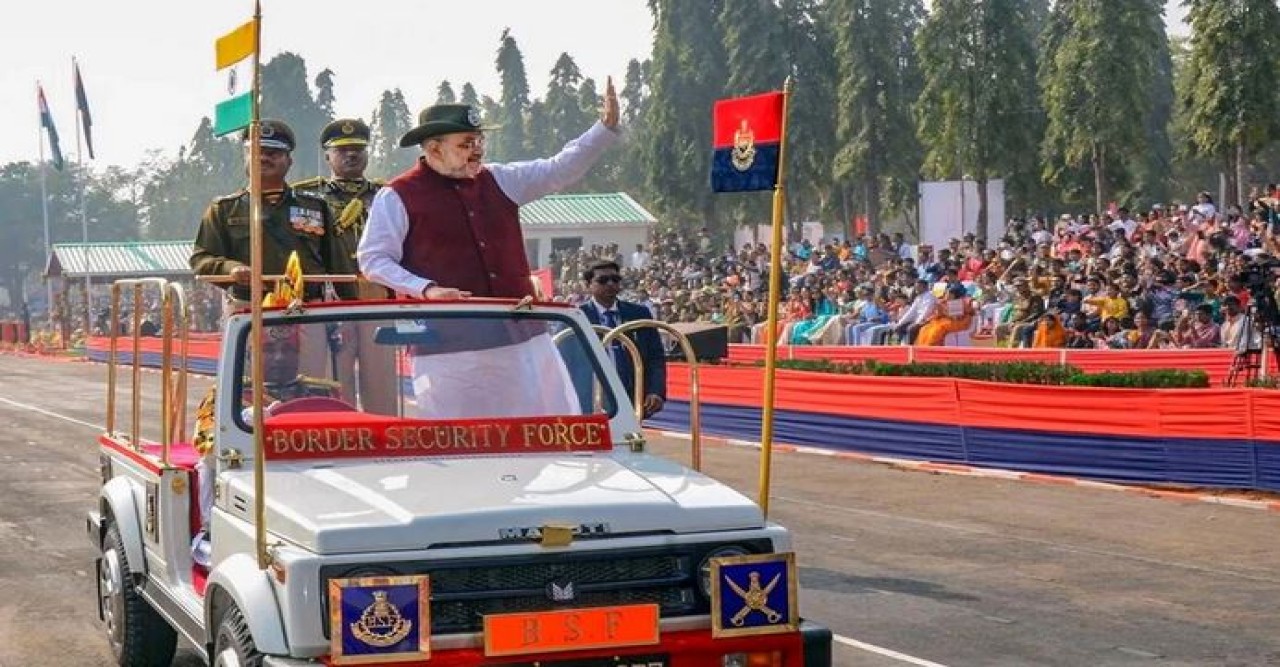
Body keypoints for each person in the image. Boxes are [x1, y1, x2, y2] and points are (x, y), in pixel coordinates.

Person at [357, 80, 620, 416]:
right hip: (449, 349)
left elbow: (558, 169)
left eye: (479, 141)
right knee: (461, 442)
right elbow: (373, 259)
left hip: (524, 339)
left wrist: (604, 129)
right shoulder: (397, 195)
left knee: (545, 432)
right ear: (434, 148)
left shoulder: (501, 179)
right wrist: (426, 289)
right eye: (466, 143)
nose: (478, 150)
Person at [189, 119, 355, 377]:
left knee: (310, 388)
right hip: (248, 311)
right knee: (247, 391)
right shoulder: (223, 209)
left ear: (288, 161)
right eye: (257, 152)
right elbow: (201, 257)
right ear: (245, 157)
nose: (264, 159)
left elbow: (339, 264)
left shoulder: (315, 208)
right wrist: (230, 268)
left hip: (306, 310)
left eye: (274, 153)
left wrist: (351, 312)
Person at [190, 323, 340, 567]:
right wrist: (247, 421)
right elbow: (206, 443)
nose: (280, 358)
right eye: (269, 350)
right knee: (208, 462)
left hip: (310, 489)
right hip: (247, 490)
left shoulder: (320, 392)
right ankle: (211, 529)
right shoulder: (228, 394)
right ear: (251, 355)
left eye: (288, 350)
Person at [292, 118, 397, 414]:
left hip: (377, 298)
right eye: (342, 150)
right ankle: (338, 434)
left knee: (382, 382)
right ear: (327, 156)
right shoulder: (307, 196)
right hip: (331, 299)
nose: (351, 155)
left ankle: (384, 439)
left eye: (358, 149)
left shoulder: (386, 194)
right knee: (334, 380)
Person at [579, 261, 666, 418]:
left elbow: (655, 358)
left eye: (615, 279)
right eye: (603, 280)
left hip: (632, 397)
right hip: (591, 402)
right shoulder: (577, 316)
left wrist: (655, 391)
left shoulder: (639, 314)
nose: (611, 284)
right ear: (588, 285)